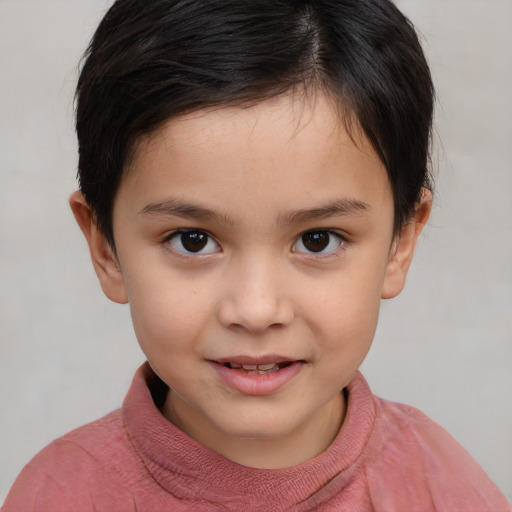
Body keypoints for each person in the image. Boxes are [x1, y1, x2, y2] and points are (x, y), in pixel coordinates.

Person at [3, 0, 510, 510]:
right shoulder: (59, 495)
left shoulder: (445, 489)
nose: (256, 309)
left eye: (318, 239)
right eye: (193, 240)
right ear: (105, 247)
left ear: (401, 242)